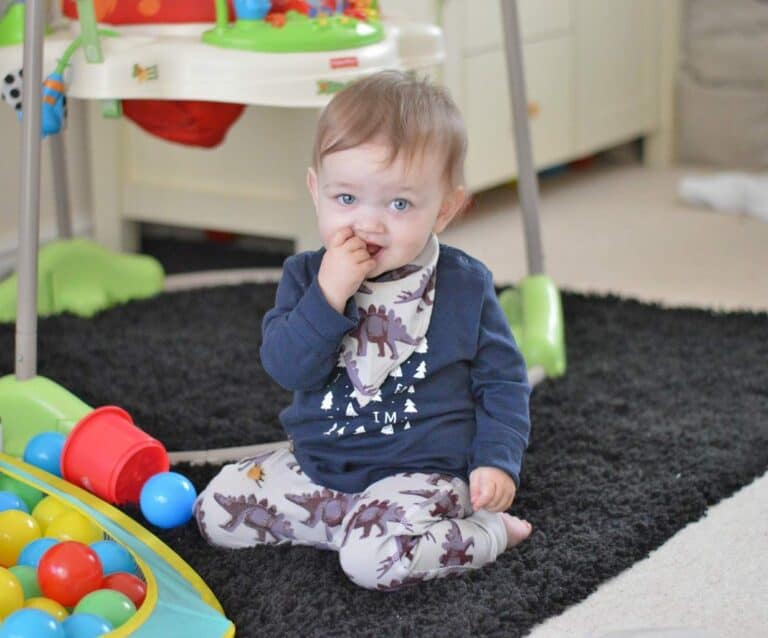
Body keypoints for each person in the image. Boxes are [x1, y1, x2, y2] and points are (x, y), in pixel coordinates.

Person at [195, 70, 532, 591]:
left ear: (444, 208)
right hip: (322, 469)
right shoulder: (306, 277)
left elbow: (503, 384)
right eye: (346, 199)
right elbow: (286, 366)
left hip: (426, 475)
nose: (368, 223)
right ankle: (355, 523)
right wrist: (328, 295)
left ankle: (484, 533)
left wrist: (497, 462)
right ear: (316, 190)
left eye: (399, 204)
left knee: (370, 563)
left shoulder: (465, 285)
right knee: (215, 512)